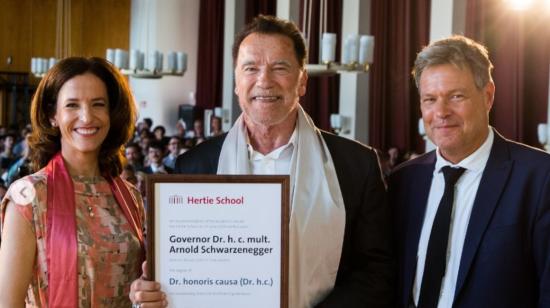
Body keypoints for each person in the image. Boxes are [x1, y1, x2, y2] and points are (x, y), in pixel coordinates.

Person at [173, 15, 393, 307]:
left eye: (280, 67)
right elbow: (183, 267)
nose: (264, 81)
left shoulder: (356, 165)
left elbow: (377, 272)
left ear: (302, 81)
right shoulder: (192, 167)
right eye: (250, 68)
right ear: (236, 81)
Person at [389, 35, 550, 308]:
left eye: (456, 96)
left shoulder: (539, 178)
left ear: (488, 96)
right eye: (430, 99)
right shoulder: (403, 181)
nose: (441, 112)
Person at [0, 57, 166, 307]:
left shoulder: (130, 196)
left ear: (111, 113)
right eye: (72, 105)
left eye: (98, 104)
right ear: (53, 115)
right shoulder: (29, 195)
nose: (87, 117)